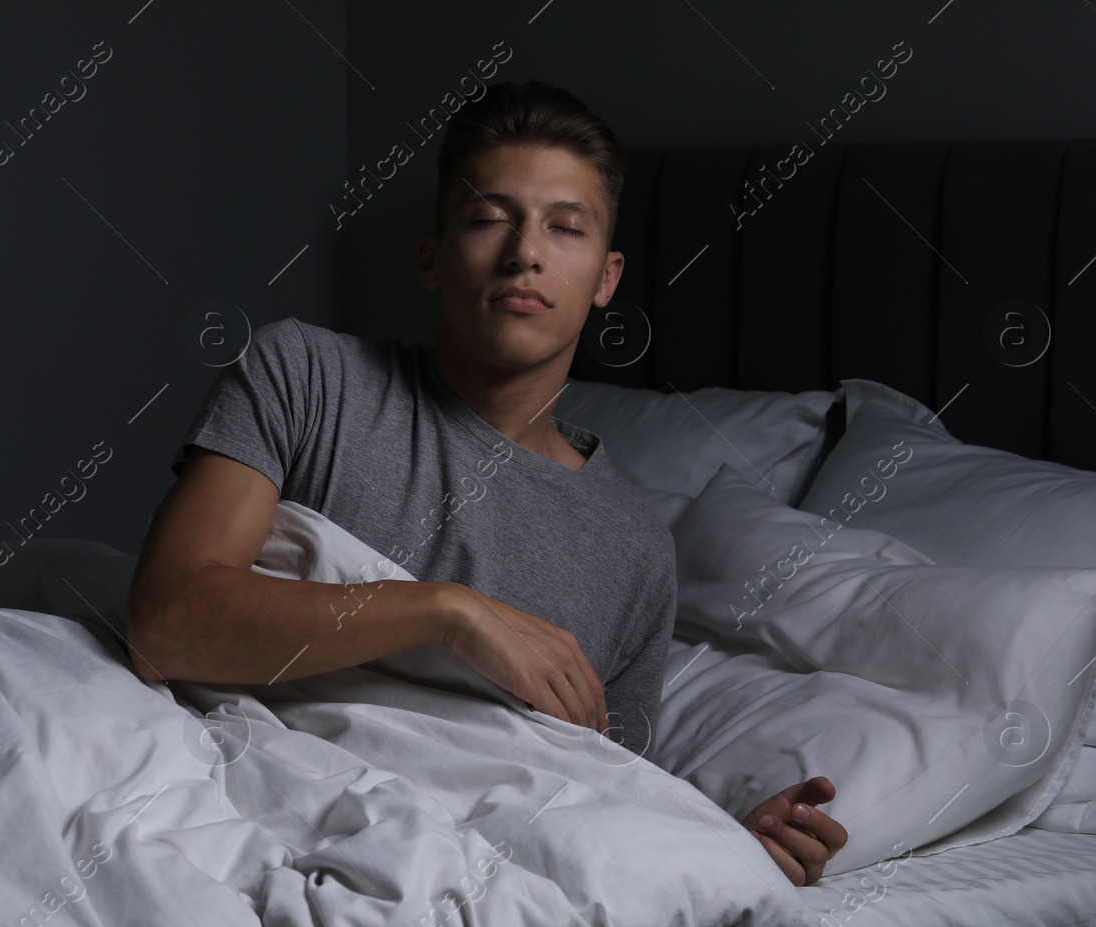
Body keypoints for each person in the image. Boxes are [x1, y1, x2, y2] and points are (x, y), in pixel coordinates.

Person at [125, 79, 846, 885]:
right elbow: (166, 623)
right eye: (489, 218)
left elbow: (603, 799)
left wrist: (723, 844)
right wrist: (450, 612)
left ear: (607, 279)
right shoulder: (305, 376)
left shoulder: (633, 548)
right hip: (204, 810)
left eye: (564, 227)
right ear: (433, 256)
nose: (524, 252)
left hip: (435, 868)